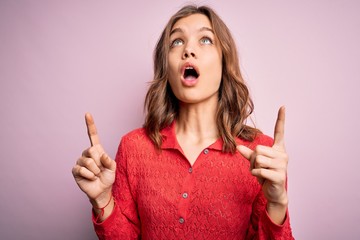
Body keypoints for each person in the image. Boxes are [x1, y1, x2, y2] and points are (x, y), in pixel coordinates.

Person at [72, 5, 294, 239]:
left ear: (224, 61)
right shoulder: (133, 147)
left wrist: (277, 204)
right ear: (166, 67)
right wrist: (102, 200)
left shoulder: (261, 153)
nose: (188, 49)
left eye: (205, 40)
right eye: (177, 41)